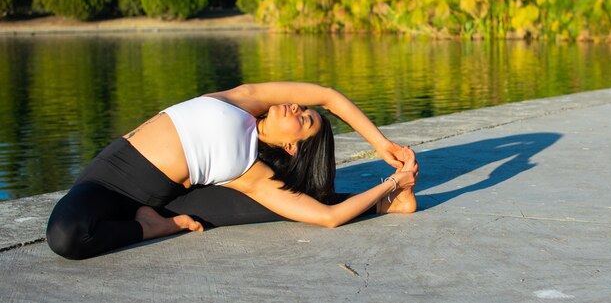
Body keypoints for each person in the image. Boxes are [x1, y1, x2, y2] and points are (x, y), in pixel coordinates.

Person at [46, 82, 418, 260]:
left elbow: (328, 216)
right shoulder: (245, 100)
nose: (296, 106)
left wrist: (394, 183)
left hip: (156, 197)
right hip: (105, 179)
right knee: (67, 234)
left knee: (65, 238)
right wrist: (382, 144)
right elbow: (329, 97)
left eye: (303, 119)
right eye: (302, 108)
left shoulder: (251, 173)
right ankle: (152, 226)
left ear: (291, 147)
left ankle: (390, 204)